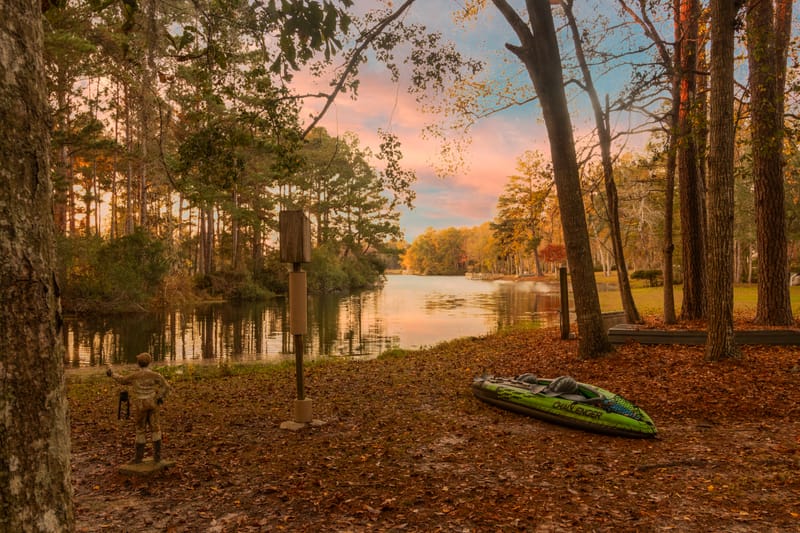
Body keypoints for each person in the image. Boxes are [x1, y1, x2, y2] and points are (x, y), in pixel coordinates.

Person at [107, 352, 171, 464]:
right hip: (153, 403)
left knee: (140, 429)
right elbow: (166, 387)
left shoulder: (134, 376)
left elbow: (122, 380)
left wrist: (112, 374)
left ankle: (138, 458)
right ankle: (157, 457)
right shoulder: (155, 375)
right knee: (155, 428)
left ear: (138, 364)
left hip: (140, 405)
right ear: (149, 363)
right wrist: (159, 397)